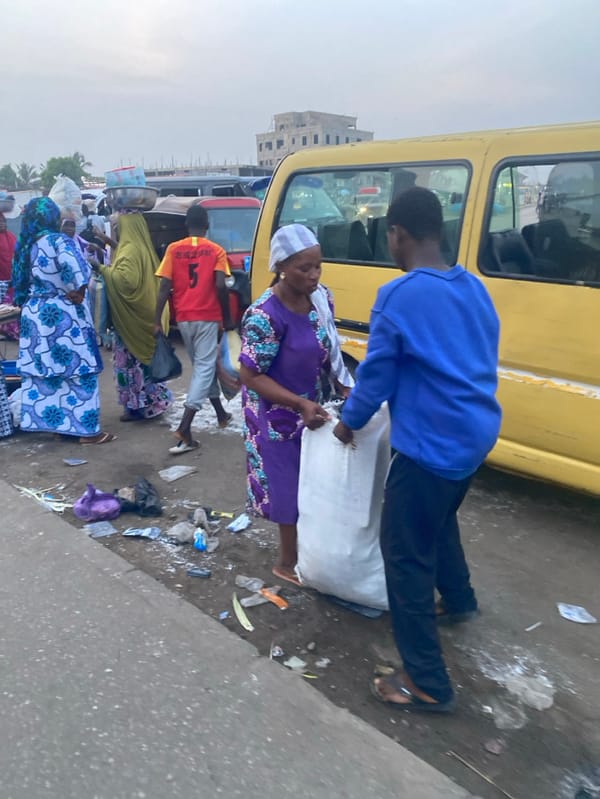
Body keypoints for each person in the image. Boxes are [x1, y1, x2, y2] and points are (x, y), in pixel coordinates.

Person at [333, 187, 502, 712]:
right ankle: (460, 599)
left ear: (398, 234)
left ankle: (426, 681)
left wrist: (348, 423)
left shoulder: (399, 295)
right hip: (474, 435)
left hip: (432, 444)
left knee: (405, 554)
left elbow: (377, 375)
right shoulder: (473, 287)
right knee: (440, 514)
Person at [239, 223, 352, 585]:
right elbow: (251, 375)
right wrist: (297, 404)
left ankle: (313, 550)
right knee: (287, 489)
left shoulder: (321, 299)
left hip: (312, 406)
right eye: (305, 268)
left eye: (318, 266)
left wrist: (343, 387)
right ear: (281, 266)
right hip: (275, 414)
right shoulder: (264, 316)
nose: (314, 275)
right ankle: (286, 561)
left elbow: (329, 348)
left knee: (316, 483)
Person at [12, 197, 115, 443]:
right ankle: (88, 433)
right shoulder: (58, 241)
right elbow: (75, 272)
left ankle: (61, 426)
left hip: (35, 316)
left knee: (48, 372)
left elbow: (21, 283)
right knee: (80, 370)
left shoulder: (25, 245)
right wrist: (79, 292)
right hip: (62, 314)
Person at [154, 205, 235, 454]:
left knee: (203, 366)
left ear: (186, 225)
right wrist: (228, 317)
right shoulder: (216, 250)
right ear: (207, 225)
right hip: (208, 316)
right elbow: (221, 286)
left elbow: (164, 286)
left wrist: (157, 320)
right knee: (204, 367)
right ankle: (185, 427)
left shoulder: (173, 249)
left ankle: (221, 414)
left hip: (184, 318)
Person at [100, 213, 173, 422]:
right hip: (149, 313)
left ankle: (136, 407)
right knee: (147, 362)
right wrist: (106, 243)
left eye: (119, 226)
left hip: (134, 319)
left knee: (130, 364)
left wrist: (102, 269)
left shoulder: (129, 250)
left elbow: (125, 281)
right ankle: (154, 404)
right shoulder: (141, 246)